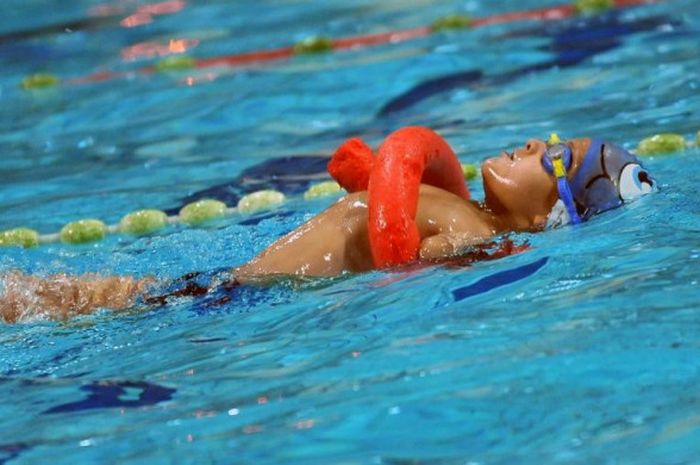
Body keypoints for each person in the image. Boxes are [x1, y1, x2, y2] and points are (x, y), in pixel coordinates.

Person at [0, 127, 656, 323]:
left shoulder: (473, 231)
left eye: (554, 157)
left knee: (55, 300)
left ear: (551, 210)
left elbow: (430, 268)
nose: (534, 142)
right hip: (230, 289)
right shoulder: (461, 208)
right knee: (70, 297)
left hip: (234, 299)